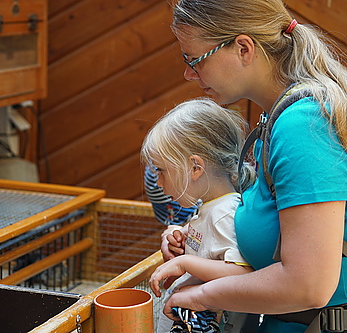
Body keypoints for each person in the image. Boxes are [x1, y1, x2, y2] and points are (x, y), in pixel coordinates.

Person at [149, 1, 347, 332]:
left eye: (193, 60)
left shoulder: (303, 126)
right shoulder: (276, 116)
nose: (188, 73)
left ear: (243, 48)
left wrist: (202, 295)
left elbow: (308, 285)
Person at [142, 98, 255, 333]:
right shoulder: (210, 207)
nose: (159, 182)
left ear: (195, 168)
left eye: (162, 171)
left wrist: (185, 263)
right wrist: (180, 233)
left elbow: (240, 272)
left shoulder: (224, 213)